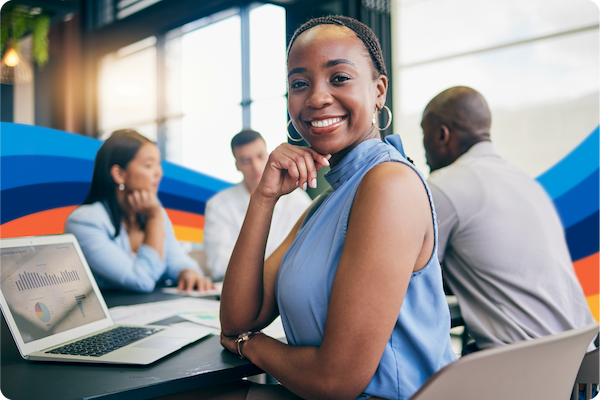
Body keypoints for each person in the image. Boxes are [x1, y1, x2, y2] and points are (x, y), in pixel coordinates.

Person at [189, 15, 456, 400]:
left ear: (379, 90)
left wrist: (249, 344)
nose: (316, 97)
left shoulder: (389, 184)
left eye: (339, 78)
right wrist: (264, 198)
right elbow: (236, 317)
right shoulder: (329, 199)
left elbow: (335, 381)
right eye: (300, 84)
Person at [422, 86, 594, 354]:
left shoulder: (444, 185)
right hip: (580, 364)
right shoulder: (526, 182)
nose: (423, 150)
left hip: (527, 371)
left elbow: (411, 272)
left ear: (442, 135)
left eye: (424, 135)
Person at [65, 129, 214, 293]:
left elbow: (176, 257)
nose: (159, 173)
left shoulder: (153, 212)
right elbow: (141, 280)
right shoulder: (84, 222)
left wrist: (188, 272)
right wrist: (154, 219)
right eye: (149, 165)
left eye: (159, 164)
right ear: (119, 174)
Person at [203, 129, 312, 281]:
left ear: (268, 155)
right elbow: (218, 265)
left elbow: (309, 253)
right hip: (239, 285)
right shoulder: (218, 206)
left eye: (260, 156)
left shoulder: (296, 199)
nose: (255, 166)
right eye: (246, 160)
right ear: (237, 165)